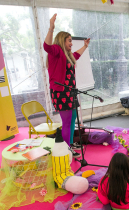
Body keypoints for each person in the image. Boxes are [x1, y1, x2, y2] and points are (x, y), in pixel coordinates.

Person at [44, 14, 90, 156]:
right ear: (62, 40)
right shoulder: (56, 51)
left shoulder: (68, 55)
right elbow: (47, 46)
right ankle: (66, 149)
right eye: (69, 40)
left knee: (73, 117)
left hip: (70, 92)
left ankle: (69, 144)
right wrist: (51, 28)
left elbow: (76, 55)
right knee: (67, 121)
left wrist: (84, 46)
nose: (71, 43)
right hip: (60, 92)